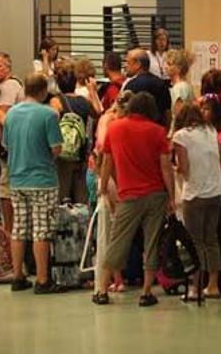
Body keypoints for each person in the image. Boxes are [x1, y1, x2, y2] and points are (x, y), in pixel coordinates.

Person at [94, 92, 175, 307]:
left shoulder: (115, 128)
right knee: (151, 243)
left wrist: (102, 187)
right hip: (156, 194)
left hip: (128, 195)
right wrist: (172, 196)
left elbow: (107, 163)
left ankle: (102, 290)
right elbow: (166, 168)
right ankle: (146, 292)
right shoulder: (158, 132)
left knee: (118, 241)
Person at [2, 72, 66, 294]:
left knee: (19, 228)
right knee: (42, 230)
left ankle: (18, 275)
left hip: (17, 179)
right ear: (44, 91)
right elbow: (56, 148)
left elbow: (7, 145)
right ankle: (42, 279)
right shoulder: (48, 115)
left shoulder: (10, 114)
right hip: (42, 180)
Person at [172, 103, 221, 302]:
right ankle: (213, 284)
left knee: (194, 242)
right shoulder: (211, 130)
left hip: (194, 193)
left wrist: (176, 169)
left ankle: (194, 286)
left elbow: (184, 167)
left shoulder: (181, 136)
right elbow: (220, 156)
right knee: (211, 239)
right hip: (216, 192)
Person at [92, 91, 131, 297]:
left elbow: (103, 152)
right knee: (120, 230)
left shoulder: (108, 121)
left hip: (110, 178)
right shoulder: (131, 124)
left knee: (110, 231)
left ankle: (113, 280)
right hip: (127, 179)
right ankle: (120, 277)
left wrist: (103, 182)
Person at [49, 61, 95, 204]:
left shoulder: (56, 101)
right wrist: (92, 90)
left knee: (61, 194)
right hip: (80, 152)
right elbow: (97, 112)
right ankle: (81, 224)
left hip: (62, 152)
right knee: (81, 196)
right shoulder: (84, 101)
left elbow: (52, 122)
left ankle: (63, 224)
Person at [0, 52, 24, 234]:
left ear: (8, 68)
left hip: (9, 149)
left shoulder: (9, 86)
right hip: (6, 147)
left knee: (6, 192)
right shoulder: (0, 87)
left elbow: (2, 114)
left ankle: (10, 233)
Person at [123, 49, 171, 126]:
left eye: (128, 62)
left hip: (135, 130)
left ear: (138, 64)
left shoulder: (132, 86)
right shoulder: (161, 84)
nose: (125, 66)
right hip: (158, 130)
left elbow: (123, 112)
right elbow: (167, 112)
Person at [166, 49, 196, 130]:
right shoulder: (183, 86)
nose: (166, 67)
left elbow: (179, 114)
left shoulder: (180, 88)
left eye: (169, 64)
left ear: (178, 68)